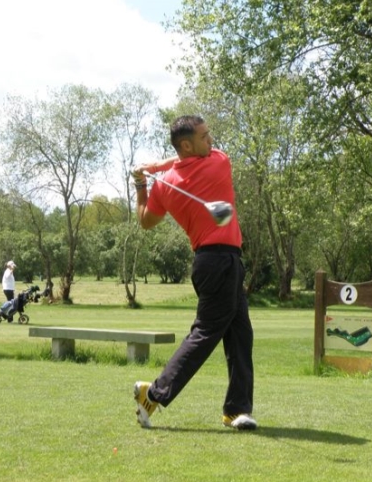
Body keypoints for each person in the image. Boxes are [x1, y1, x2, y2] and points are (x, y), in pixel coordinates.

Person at [131, 115, 256, 430]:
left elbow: (145, 220)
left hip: (217, 263)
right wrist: (159, 167)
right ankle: (153, 394)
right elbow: (182, 163)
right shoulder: (219, 163)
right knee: (205, 333)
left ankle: (236, 410)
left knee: (240, 335)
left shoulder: (167, 184)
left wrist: (142, 183)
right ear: (187, 144)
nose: (211, 140)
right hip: (219, 263)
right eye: (204, 136)